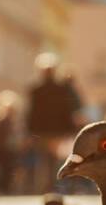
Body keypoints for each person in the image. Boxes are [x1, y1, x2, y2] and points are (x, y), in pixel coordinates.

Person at [25, 53, 81, 193]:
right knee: (50, 160)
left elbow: (32, 113)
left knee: (47, 160)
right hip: (52, 131)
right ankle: (50, 186)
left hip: (46, 131)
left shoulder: (37, 89)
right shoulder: (57, 89)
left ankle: (49, 186)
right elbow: (33, 113)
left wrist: (29, 131)